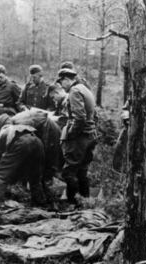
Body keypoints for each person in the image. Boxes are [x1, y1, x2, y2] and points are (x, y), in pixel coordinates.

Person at [56, 68, 97, 205]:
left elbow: (79, 118)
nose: (61, 86)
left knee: (69, 172)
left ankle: (71, 204)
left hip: (79, 138)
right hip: (90, 135)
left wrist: (71, 134)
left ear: (67, 79)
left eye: (61, 83)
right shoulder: (84, 89)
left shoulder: (74, 91)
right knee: (82, 171)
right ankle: (85, 201)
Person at [0, 120, 46, 206]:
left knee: (0, 174)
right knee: (35, 177)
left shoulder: (3, 132)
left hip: (22, 142)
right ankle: (40, 202)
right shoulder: (19, 128)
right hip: (38, 142)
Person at [112, 94, 146, 178]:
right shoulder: (133, 98)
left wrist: (142, 123)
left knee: (144, 164)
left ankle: (144, 182)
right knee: (126, 161)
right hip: (129, 134)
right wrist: (127, 118)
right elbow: (124, 110)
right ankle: (126, 179)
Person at [0, 64, 21, 151]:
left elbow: (18, 100)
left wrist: (17, 112)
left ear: (5, 75)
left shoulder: (12, 86)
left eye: (1, 77)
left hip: (9, 111)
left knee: (9, 131)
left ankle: (9, 150)